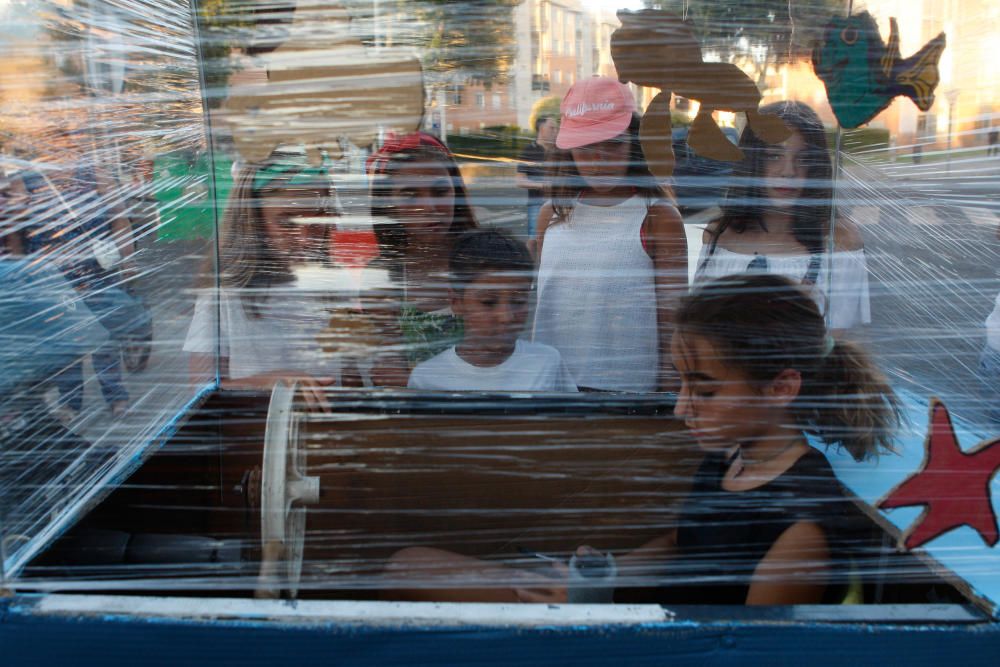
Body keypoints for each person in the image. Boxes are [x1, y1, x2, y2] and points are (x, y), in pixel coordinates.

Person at [388, 273, 900, 604]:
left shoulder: (803, 531)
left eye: (705, 390)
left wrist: (593, 610)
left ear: (782, 387)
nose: (681, 408)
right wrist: (601, 577)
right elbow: (682, 541)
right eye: (681, 385)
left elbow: (744, 646)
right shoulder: (734, 459)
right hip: (638, 613)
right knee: (406, 566)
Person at [531, 76, 688, 393]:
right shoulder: (553, 213)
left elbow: (672, 320)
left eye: (613, 144)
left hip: (628, 392)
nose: (598, 160)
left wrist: (667, 395)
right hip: (553, 388)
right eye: (586, 147)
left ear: (635, 142)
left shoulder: (657, 217)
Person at [694, 100, 870, 332]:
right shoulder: (719, 234)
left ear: (816, 166)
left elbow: (844, 342)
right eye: (773, 155)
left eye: (803, 159)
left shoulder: (839, 240)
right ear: (752, 162)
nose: (788, 171)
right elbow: (696, 327)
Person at [183, 150, 339, 410]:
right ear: (253, 220)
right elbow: (202, 389)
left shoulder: (331, 283)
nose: (304, 238)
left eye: (315, 220)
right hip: (259, 434)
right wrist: (274, 383)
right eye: (287, 222)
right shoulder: (223, 296)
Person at [364, 132, 478, 386]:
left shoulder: (483, 262)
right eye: (409, 194)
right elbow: (388, 370)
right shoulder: (382, 276)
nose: (428, 206)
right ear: (387, 204)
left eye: (439, 192)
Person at [407, 229, 576, 391]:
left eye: (518, 301)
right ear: (457, 302)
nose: (506, 316)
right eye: (488, 302)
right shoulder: (427, 379)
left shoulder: (547, 363)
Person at [515, 115, 557, 248]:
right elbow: (519, 180)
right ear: (541, 129)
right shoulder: (529, 150)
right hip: (536, 203)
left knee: (553, 239)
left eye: (556, 128)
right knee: (534, 240)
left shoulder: (557, 151)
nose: (555, 131)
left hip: (556, 202)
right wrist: (542, 185)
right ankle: (533, 267)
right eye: (552, 128)